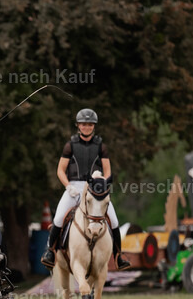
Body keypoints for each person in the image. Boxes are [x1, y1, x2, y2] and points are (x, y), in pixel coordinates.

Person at [41, 109, 128, 269]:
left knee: (114, 220)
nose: (86, 127)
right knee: (59, 217)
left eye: (89, 124)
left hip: (95, 188)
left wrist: (103, 183)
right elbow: (60, 170)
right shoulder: (70, 145)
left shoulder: (101, 146)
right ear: (78, 126)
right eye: (83, 124)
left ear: (93, 126)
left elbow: (108, 170)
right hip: (74, 186)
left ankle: (119, 256)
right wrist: (68, 186)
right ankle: (50, 252)